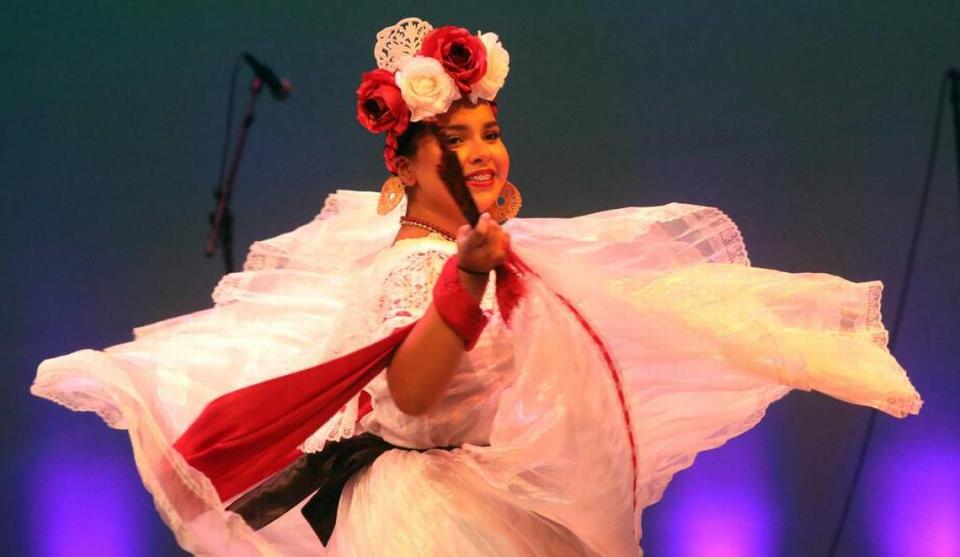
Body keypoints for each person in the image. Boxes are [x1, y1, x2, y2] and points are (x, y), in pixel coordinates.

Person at [31, 17, 922, 556]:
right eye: (455, 138)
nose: (484, 150)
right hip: (428, 522)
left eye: (490, 130)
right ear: (407, 163)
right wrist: (460, 285)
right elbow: (412, 395)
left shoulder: (488, 255)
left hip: (473, 501)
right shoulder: (417, 267)